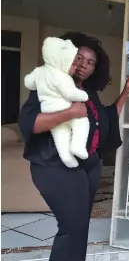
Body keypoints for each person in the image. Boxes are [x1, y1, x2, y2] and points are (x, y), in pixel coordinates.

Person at [18, 32, 129, 261]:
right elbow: (30, 123)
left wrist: (125, 93)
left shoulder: (88, 91)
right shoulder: (50, 82)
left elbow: (105, 118)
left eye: (91, 62)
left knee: (80, 227)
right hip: (54, 166)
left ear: (97, 68)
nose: (84, 64)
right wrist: (70, 112)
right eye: (79, 57)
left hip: (88, 166)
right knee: (72, 227)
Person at [24, 37, 90, 168]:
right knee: (82, 122)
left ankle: (66, 156)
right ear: (61, 62)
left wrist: (39, 83)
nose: (76, 68)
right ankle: (78, 145)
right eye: (73, 64)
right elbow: (70, 93)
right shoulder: (62, 77)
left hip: (48, 109)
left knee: (60, 134)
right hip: (62, 107)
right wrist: (84, 96)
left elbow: (28, 82)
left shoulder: (39, 71)